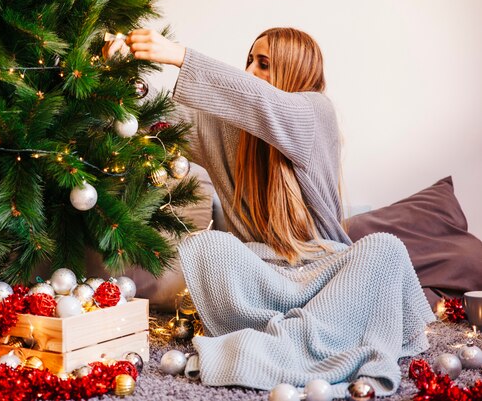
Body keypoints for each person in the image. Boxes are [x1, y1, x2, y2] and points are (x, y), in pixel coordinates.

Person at [105, 28, 435, 398]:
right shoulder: (228, 128)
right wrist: (121, 71)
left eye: (264, 64)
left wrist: (180, 55)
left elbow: (270, 105)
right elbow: (162, 121)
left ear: (295, 70)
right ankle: (310, 336)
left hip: (324, 276)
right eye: (249, 61)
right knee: (208, 246)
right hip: (264, 277)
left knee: (385, 248)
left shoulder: (316, 112)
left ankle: (279, 345)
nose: (249, 71)